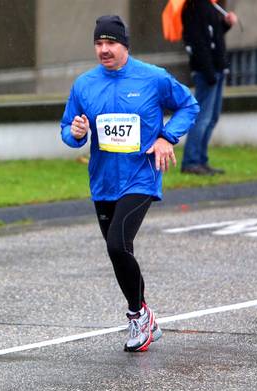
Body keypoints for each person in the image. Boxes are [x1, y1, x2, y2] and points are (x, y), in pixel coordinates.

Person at [60, 16, 198, 352]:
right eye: (99, 43)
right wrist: (75, 133)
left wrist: (167, 137)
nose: (104, 49)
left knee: (117, 245)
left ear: (125, 45)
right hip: (103, 180)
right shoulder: (84, 85)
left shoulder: (153, 78)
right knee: (119, 251)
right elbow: (67, 129)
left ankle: (138, 314)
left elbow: (189, 105)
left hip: (141, 175)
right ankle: (144, 315)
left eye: (111, 43)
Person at [180, 0, 239, 175]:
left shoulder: (209, 5)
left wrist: (225, 24)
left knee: (211, 118)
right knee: (202, 118)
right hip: (208, 71)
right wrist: (209, 72)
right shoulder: (194, 7)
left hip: (216, 69)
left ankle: (200, 160)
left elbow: (214, 35)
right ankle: (191, 161)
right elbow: (198, 42)